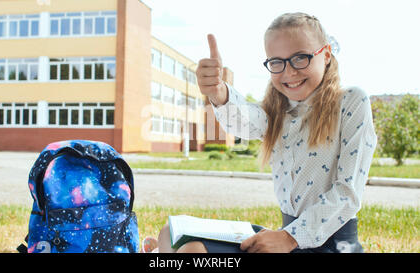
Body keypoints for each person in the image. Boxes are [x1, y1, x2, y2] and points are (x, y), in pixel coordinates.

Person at [157, 12, 377, 253]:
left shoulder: (351, 100)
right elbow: (245, 120)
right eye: (276, 62)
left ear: (325, 55)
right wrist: (219, 92)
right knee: (169, 234)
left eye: (300, 58)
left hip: (332, 245)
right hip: (286, 238)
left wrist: (290, 238)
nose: (289, 72)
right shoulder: (277, 110)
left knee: (192, 252)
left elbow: (348, 192)